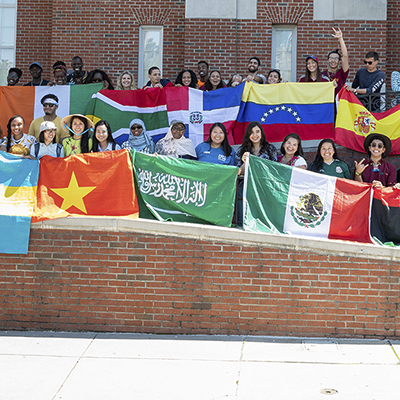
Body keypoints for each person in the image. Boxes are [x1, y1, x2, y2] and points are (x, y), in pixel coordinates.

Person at [321, 27, 349, 96]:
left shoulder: (342, 73)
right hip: (326, 104)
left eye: (336, 58)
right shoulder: (322, 75)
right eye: (331, 58)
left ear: (339, 61)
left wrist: (340, 39)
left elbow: (345, 56)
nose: (333, 60)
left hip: (339, 103)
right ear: (328, 60)